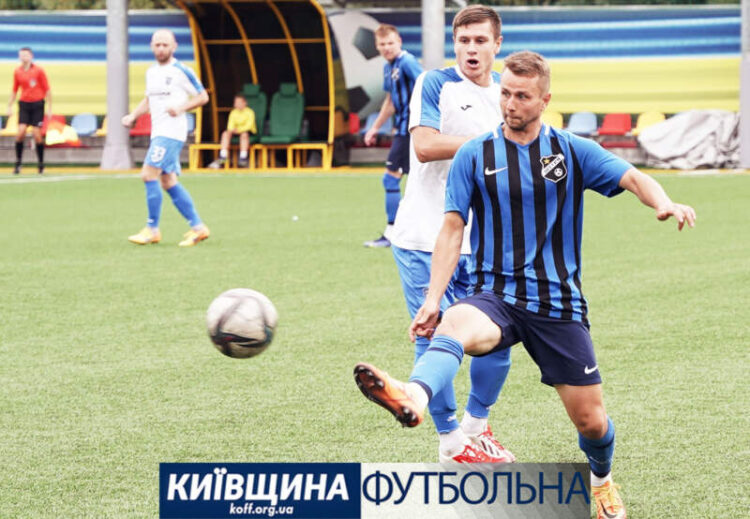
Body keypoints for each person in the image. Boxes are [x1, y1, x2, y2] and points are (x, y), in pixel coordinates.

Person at [357, 50, 697, 519]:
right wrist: (433, 298)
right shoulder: (474, 153)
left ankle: (601, 482)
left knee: (592, 422)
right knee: (452, 323)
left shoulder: (570, 150)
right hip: (496, 296)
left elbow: (633, 177)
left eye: (522, 96)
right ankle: (413, 395)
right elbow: (452, 229)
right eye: (505, 94)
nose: (510, 104)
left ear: (545, 100)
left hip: (557, 303)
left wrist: (664, 202)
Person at [356, 6, 514, 464]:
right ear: (454, 44)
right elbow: (424, 146)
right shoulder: (434, 83)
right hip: (424, 237)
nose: (471, 49)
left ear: (496, 44)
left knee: (500, 337)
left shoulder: (507, 93)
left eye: (480, 41)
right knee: (434, 331)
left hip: (484, 243)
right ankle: (449, 440)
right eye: (463, 41)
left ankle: (476, 428)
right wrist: (494, 142)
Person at [122, 29, 211, 247]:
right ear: (151, 47)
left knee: (148, 174)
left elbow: (203, 96)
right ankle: (198, 228)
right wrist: (133, 116)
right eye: (157, 45)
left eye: (165, 45)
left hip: (171, 133)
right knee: (168, 181)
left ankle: (152, 229)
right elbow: (149, 100)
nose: (161, 48)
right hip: (159, 133)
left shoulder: (181, 70)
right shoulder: (151, 72)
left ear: (174, 46)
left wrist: (181, 108)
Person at [363, 24, 422, 248]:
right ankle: (409, 232)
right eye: (382, 44)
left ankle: (392, 233)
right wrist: (375, 128)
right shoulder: (389, 67)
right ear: (377, 47)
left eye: (390, 43)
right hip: (403, 130)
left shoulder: (407, 62)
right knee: (418, 181)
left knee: (391, 179)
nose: (387, 47)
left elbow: (426, 85)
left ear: (399, 42)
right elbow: (390, 102)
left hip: (410, 130)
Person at [7, 47, 51, 175]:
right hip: (24, 104)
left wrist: (49, 107)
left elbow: (47, 89)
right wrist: (9, 106)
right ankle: (18, 163)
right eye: (21, 55)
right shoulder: (17, 71)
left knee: (37, 134)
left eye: (26, 55)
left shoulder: (39, 70)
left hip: (37, 104)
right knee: (21, 132)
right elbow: (15, 89)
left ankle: (41, 164)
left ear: (31, 56)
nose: (23, 57)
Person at [208, 93, 257, 169]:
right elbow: (230, 126)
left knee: (244, 135)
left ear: (244, 103)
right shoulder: (233, 112)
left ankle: (243, 158)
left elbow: (249, 126)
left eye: (238, 102)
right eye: (235, 102)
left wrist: (239, 130)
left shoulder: (250, 112)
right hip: (235, 132)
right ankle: (223, 157)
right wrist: (232, 130)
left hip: (248, 132)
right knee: (225, 134)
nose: (236, 104)